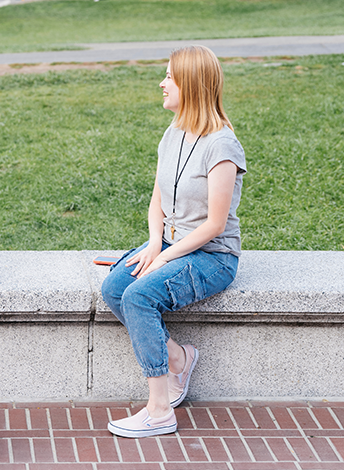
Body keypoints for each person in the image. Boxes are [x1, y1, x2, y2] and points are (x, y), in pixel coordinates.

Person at [101, 45, 246, 439]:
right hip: (170, 243)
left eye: (169, 76)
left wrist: (165, 258)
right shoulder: (174, 132)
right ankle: (179, 358)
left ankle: (160, 410)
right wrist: (153, 245)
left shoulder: (222, 145)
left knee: (139, 296)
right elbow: (157, 199)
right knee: (115, 286)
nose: (162, 83)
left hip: (212, 256)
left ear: (192, 85)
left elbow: (215, 224)